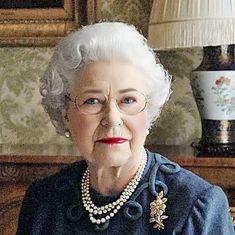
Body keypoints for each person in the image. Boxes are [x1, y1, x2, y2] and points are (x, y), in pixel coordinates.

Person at [16, 22, 234, 235]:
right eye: (92, 101)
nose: (112, 118)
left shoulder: (197, 206)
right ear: (66, 115)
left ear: (148, 112)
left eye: (128, 100)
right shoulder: (43, 202)